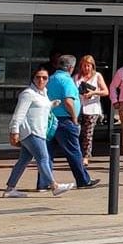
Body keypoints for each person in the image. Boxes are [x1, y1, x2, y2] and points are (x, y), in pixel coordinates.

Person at [3, 67, 60, 197]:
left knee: (23, 160)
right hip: (31, 132)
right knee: (44, 158)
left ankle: (10, 189)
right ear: (33, 79)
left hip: (39, 131)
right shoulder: (28, 93)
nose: (41, 80)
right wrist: (14, 131)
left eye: (44, 78)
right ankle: (54, 186)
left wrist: (52, 104)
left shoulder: (43, 93)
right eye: (38, 77)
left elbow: (40, 108)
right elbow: (19, 113)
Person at [47, 54, 96, 190]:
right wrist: (74, 118)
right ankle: (83, 180)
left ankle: (44, 183)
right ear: (70, 68)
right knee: (74, 152)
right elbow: (68, 101)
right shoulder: (67, 81)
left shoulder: (50, 79)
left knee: (47, 154)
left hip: (50, 119)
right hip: (65, 120)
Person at [75, 54, 108, 160]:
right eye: (84, 66)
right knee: (77, 131)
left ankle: (86, 156)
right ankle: (77, 154)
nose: (86, 68)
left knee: (88, 133)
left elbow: (105, 91)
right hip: (79, 108)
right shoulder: (76, 77)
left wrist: (93, 92)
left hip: (92, 108)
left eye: (88, 66)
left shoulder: (97, 76)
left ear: (92, 66)